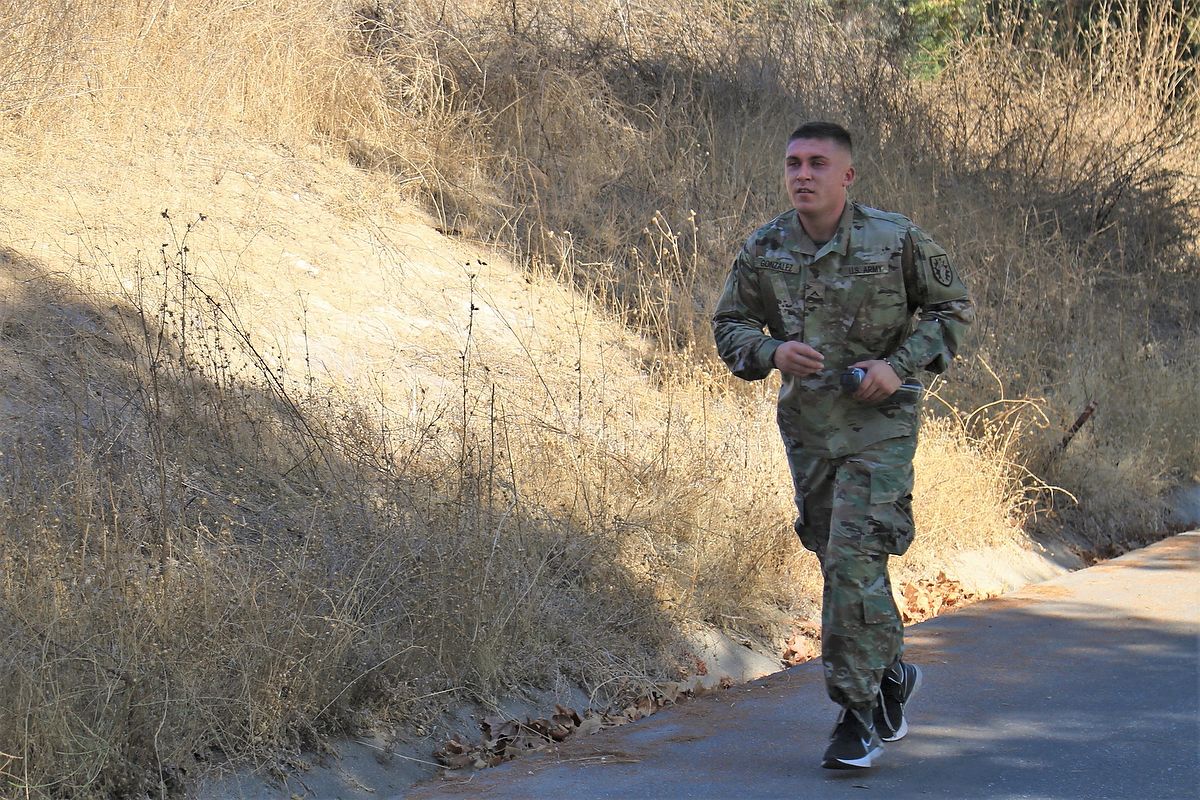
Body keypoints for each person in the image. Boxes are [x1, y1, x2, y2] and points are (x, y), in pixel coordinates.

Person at [711, 121, 973, 770]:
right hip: (809, 432)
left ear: (846, 176)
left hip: (879, 429)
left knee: (855, 559)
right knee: (842, 564)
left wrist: (899, 365)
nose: (803, 174)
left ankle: (855, 716)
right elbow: (730, 325)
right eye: (794, 163)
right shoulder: (765, 248)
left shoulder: (897, 238)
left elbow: (951, 308)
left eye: (818, 163)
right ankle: (892, 677)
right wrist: (770, 350)